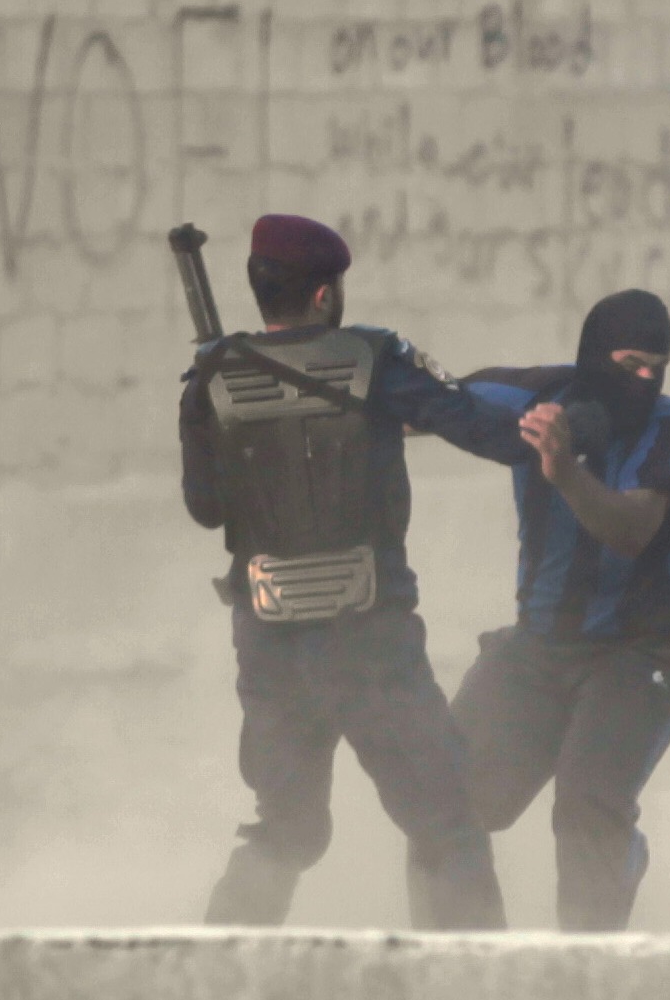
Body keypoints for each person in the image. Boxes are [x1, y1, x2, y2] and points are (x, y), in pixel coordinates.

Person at [178, 213, 529, 929]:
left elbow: (206, 508)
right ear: (322, 296)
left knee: (286, 833)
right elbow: (483, 429)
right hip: (368, 640)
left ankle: (214, 981)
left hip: (269, 642)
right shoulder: (374, 360)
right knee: (446, 824)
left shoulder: (210, 376)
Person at [447, 291, 670, 931]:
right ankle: (464, 961)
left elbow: (631, 530)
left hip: (646, 651)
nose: (644, 380)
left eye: (657, 366)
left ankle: (586, 975)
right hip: (541, 645)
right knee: (442, 797)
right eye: (629, 362)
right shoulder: (532, 397)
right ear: (594, 357)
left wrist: (563, 470)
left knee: (588, 806)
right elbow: (418, 406)